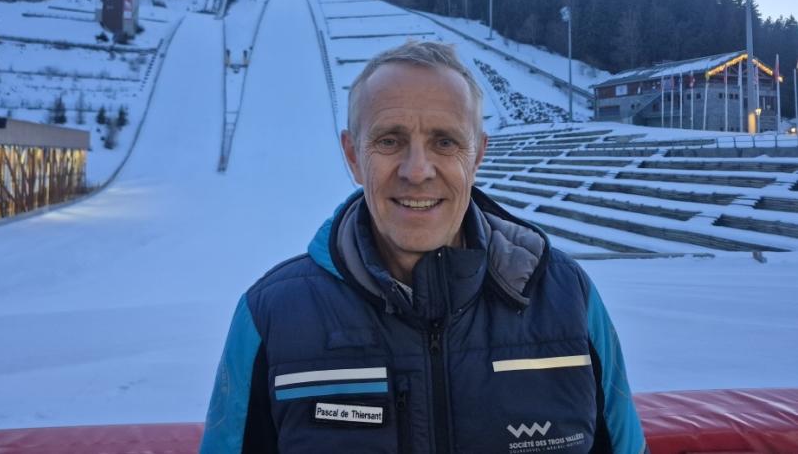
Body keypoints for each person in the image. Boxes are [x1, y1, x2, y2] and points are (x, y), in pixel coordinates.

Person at [200, 41, 648, 454]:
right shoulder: (271, 317)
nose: (417, 171)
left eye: (445, 141)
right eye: (390, 140)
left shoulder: (568, 298)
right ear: (353, 156)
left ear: (477, 156)